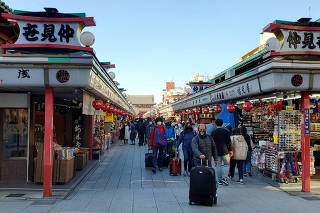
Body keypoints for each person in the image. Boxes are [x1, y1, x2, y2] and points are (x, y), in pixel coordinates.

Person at [211, 119, 232, 186]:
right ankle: (224, 178)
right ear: (222, 124)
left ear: (215, 124)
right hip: (225, 151)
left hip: (216, 152)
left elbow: (212, 143)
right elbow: (229, 142)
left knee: (218, 165)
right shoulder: (226, 132)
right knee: (226, 165)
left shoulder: (213, 132)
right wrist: (230, 150)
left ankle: (219, 180)